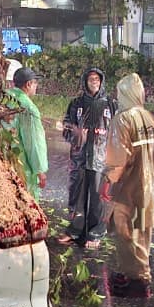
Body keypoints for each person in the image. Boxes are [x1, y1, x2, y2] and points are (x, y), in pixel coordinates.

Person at [101, 72, 154, 298]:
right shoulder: (151, 119)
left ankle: (136, 281)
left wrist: (108, 181)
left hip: (129, 188)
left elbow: (118, 158)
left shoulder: (123, 119)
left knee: (126, 234)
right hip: (149, 188)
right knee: (142, 233)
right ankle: (140, 274)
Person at [59, 67, 115, 247]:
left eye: (97, 79)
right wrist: (75, 134)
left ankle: (95, 232)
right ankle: (75, 229)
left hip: (101, 159)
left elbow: (118, 132)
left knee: (98, 198)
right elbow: (66, 128)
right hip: (80, 158)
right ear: (85, 82)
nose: (94, 82)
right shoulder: (76, 104)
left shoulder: (111, 104)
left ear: (102, 82)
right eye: (91, 79)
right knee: (77, 196)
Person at [7, 67, 48, 200]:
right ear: (28, 84)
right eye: (35, 83)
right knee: (27, 203)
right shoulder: (29, 108)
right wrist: (39, 170)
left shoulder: (4, 99)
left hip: (3, 162)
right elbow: (33, 142)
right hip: (22, 166)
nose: (36, 87)